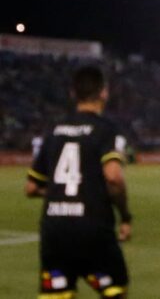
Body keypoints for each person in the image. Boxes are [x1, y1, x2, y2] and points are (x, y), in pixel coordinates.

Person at [26, 65, 132, 298]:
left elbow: (32, 187)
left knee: (57, 293)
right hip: (92, 228)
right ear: (104, 92)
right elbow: (113, 176)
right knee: (115, 291)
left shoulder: (54, 131)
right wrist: (125, 216)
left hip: (54, 230)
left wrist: (57, 193)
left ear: (73, 93)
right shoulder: (106, 130)